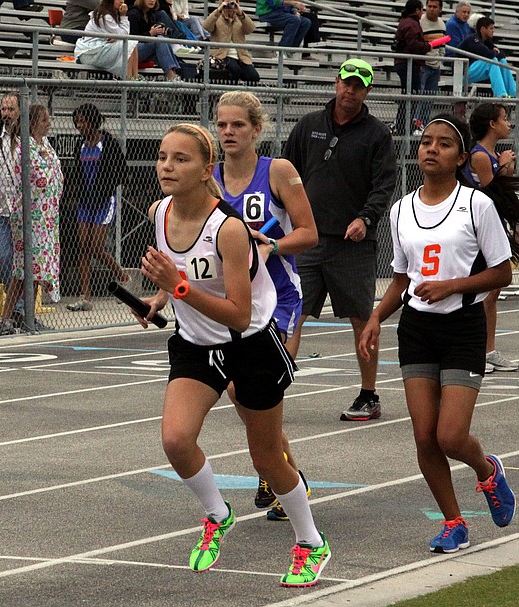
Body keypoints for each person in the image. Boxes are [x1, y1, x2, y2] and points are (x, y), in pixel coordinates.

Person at [136, 122, 330, 586]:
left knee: (266, 458)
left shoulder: (229, 230)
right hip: (196, 344)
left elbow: (239, 315)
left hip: (250, 345)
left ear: (207, 170)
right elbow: (181, 274)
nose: (167, 166)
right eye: (163, 157)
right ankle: (217, 513)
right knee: (176, 441)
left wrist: (176, 286)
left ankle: (310, 542)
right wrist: (160, 299)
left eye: (181, 159)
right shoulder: (157, 212)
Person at [358, 113, 519, 553]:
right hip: (417, 328)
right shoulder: (401, 209)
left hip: (463, 326)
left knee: (450, 436)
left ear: (461, 156)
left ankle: (487, 472)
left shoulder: (476, 205)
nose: (431, 149)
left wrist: (452, 286)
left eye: (443, 143)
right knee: (424, 437)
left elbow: (502, 274)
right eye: (426, 142)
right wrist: (374, 318)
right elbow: (402, 278)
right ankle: (453, 521)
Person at [213, 91, 317, 521]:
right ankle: (278, 467)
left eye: (238, 125)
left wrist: (272, 245)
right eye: (221, 125)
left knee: (250, 387)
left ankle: (277, 470)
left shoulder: (278, 171)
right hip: (232, 300)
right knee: (244, 390)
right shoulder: (210, 178)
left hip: (277, 297)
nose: (228, 132)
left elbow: (309, 233)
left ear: (256, 129)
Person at [283, 58, 397, 422]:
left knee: (362, 319)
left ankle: (369, 394)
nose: (350, 91)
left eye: (359, 86)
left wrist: (365, 218)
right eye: (346, 83)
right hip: (307, 240)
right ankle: (272, 389)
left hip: (352, 244)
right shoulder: (308, 125)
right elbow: (287, 174)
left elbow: (384, 185)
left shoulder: (377, 134)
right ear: (336, 82)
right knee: (290, 315)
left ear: (368, 92)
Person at [464, 103, 519, 374]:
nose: (508, 124)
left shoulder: (493, 154)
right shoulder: (480, 156)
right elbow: (490, 190)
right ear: (491, 124)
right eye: (504, 119)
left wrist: (506, 166)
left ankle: (488, 350)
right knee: (486, 289)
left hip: (495, 224)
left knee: (494, 291)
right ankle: (480, 350)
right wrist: (504, 166)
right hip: (479, 228)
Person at [0, 105, 63, 335]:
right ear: (34, 123)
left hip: (46, 218)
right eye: (45, 120)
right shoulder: (24, 147)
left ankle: (29, 316)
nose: (49, 123)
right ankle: (6, 318)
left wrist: (49, 164)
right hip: (29, 216)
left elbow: (58, 173)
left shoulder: (45, 146)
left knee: (37, 270)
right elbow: (40, 177)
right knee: (22, 269)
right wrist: (48, 165)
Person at [65, 104, 130, 312]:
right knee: (83, 247)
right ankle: (86, 297)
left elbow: (122, 170)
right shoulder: (81, 145)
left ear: (92, 121)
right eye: (77, 122)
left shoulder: (107, 143)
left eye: (82, 121)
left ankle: (123, 276)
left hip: (103, 201)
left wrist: (106, 186)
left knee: (95, 247)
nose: (79, 125)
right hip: (85, 202)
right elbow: (77, 171)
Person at [0, 92, 21, 318]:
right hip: (0, 210)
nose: (6, 114)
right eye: (4, 109)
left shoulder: (27, 141)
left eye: (11, 109)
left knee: (23, 262)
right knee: (0, 255)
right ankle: (16, 306)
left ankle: (18, 310)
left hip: (22, 212)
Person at [393, 0, 431, 135]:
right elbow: (414, 45)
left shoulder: (406, 22)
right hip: (409, 64)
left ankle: (404, 126)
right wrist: (427, 46)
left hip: (405, 63)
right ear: (416, 10)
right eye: (422, 10)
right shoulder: (412, 24)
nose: (422, 13)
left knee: (408, 96)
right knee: (410, 97)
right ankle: (405, 127)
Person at [75, 0, 139, 79]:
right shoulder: (105, 16)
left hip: (99, 49)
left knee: (133, 45)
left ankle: (135, 78)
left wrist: (117, 38)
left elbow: (122, 36)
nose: (122, 1)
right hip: (89, 53)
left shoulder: (113, 15)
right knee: (129, 44)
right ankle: (128, 81)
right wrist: (123, 16)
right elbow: (124, 35)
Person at [459, 17, 517, 98]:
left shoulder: (486, 41)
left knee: (502, 61)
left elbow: (502, 54)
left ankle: (514, 94)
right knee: (492, 61)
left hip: (474, 70)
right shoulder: (473, 39)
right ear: (483, 29)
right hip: (462, 72)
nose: (493, 30)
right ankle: (500, 95)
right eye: (491, 28)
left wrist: (494, 52)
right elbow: (489, 54)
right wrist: (494, 52)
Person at [203, 1, 260, 84]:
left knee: (253, 77)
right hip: (222, 55)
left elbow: (250, 29)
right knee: (234, 69)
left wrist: (241, 13)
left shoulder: (240, 19)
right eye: (227, 4)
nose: (229, 7)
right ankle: (231, 94)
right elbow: (206, 26)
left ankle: (245, 95)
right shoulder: (217, 17)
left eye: (232, 4)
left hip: (241, 56)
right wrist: (218, 10)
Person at [127, 0, 182, 81]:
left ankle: (173, 72)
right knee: (159, 41)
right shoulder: (133, 14)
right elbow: (130, 39)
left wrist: (158, 32)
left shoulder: (151, 15)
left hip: (144, 48)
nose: (152, 0)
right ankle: (171, 75)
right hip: (131, 51)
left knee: (164, 39)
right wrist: (150, 33)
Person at [418, 0, 446, 127]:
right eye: (429, 6)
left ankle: (423, 123)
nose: (431, 9)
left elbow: (442, 45)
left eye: (435, 7)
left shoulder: (441, 23)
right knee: (419, 96)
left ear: (440, 9)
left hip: (435, 66)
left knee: (430, 98)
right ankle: (416, 122)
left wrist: (439, 59)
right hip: (423, 64)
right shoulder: (420, 22)